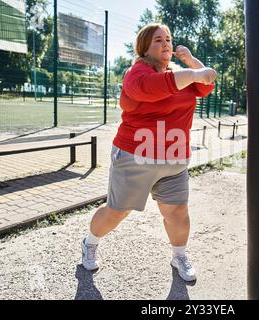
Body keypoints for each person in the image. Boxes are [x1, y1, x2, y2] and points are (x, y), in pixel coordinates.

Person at [81, 23, 217, 282]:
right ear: (145, 47)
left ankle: (179, 255)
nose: (166, 43)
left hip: (174, 158)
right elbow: (158, 86)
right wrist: (194, 72)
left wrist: (189, 60)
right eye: (158, 40)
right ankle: (89, 242)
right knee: (116, 212)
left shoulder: (180, 73)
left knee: (178, 212)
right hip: (136, 157)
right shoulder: (137, 73)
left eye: (168, 39)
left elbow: (206, 82)